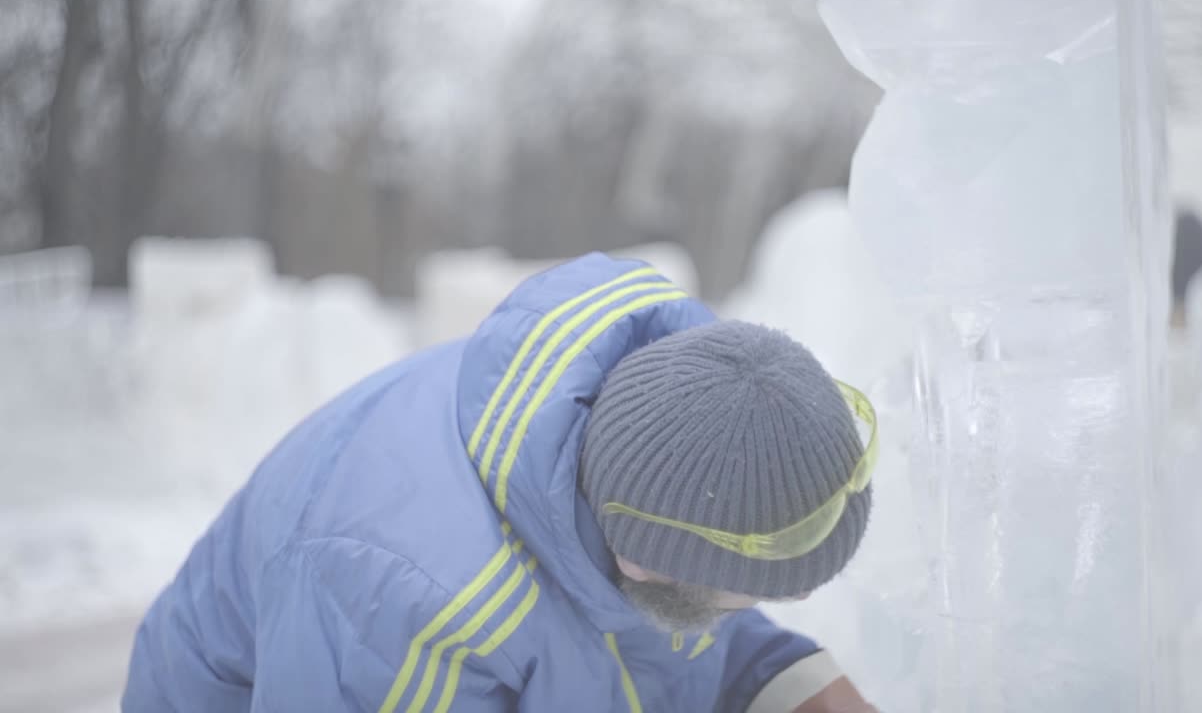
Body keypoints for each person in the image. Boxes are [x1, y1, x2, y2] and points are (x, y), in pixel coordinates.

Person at [124, 253, 880, 712]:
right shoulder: (403, 599)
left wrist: (792, 689)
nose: (800, 601)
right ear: (644, 562)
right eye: (761, 590)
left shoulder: (650, 437)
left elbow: (667, 627)